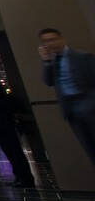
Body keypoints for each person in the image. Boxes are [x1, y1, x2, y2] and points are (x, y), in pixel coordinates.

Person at [39, 28, 95, 167]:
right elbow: (48, 81)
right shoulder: (52, 62)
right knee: (89, 147)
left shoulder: (82, 56)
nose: (50, 44)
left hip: (89, 105)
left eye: (52, 39)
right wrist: (46, 61)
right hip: (71, 110)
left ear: (61, 39)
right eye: (46, 41)